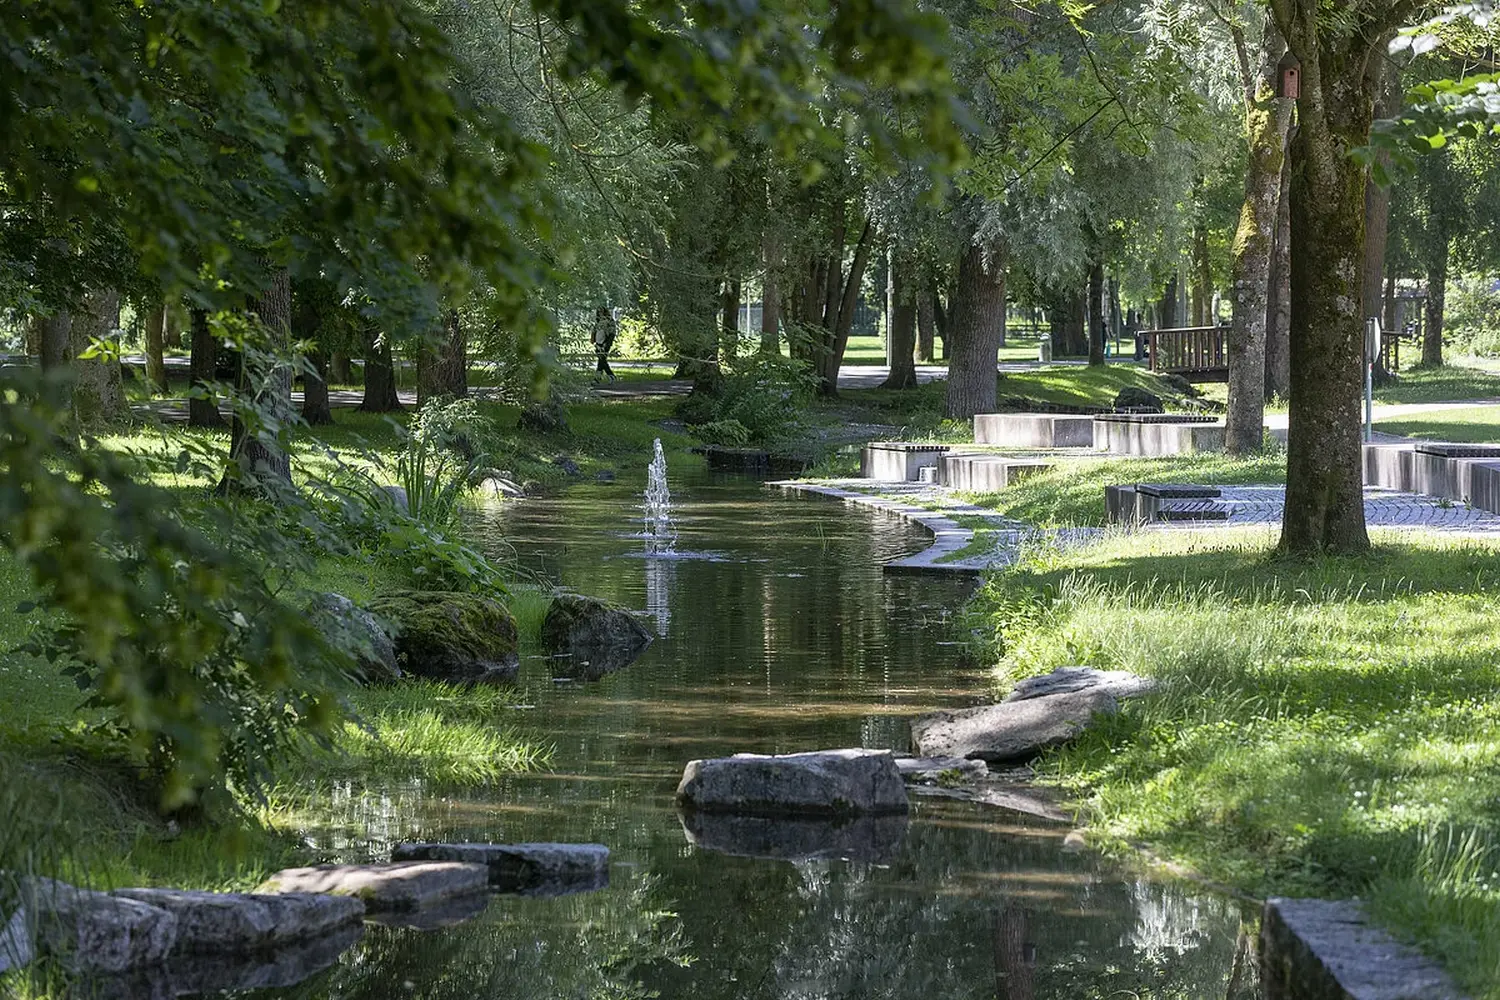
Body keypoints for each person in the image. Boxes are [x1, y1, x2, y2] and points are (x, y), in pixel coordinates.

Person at [591, 306, 617, 382]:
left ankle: (600, 377)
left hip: (605, 343)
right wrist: (593, 339)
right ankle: (607, 376)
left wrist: (607, 343)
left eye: (601, 311)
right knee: (601, 360)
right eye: (598, 311)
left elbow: (612, 333)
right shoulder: (598, 321)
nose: (600, 313)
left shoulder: (610, 320)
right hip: (598, 343)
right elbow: (594, 331)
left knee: (602, 360)